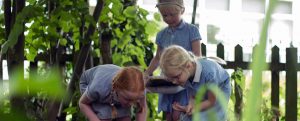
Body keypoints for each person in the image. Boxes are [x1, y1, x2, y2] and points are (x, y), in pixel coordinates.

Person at [144, 0, 202, 120]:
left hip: (184, 81)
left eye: (172, 14)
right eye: (165, 15)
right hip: (167, 80)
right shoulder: (161, 35)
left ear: (182, 10)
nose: (169, 18)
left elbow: (198, 57)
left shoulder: (192, 30)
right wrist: (147, 72)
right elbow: (158, 57)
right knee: (168, 113)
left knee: (179, 113)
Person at [159, 45, 231, 121]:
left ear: (188, 66)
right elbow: (193, 96)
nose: (174, 82)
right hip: (205, 87)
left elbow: (211, 101)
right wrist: (191, 105)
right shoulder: (186, 75)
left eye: (176, 77)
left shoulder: (208, 74)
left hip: (220, 88)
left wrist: (195, 108)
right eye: (171, 79)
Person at [79, 64, 147, 121]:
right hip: (90, 84)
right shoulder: (98, 87)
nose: (131, 104)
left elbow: (142, 108)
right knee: (105, 115)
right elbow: (82, 103)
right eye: (128, 99)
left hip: (116, 94)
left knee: (125, 117)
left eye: (134, 100)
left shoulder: (139, 89)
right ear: (117, 88)